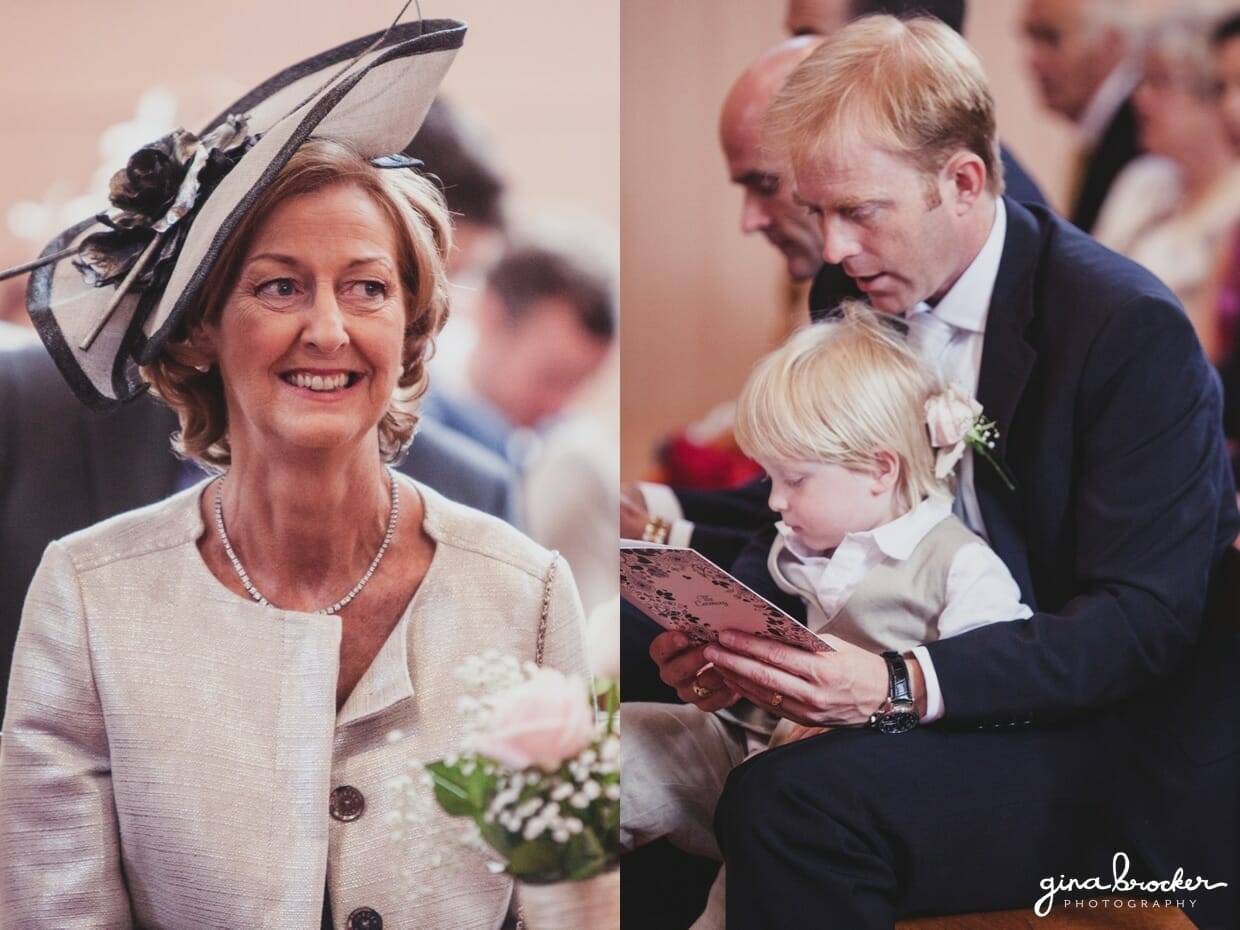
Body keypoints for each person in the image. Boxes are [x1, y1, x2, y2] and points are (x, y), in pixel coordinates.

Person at [642, 15, 1236, 927]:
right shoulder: (854, 291)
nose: (832, 249)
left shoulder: (1124, 327)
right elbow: (838, 515)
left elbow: (1142, 625)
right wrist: (741, 649)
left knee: (789, 803)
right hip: (903, 666)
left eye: (860, 211)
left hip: (1086, 735)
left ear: (961, 182)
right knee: (608, 717)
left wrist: (897, 684)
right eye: (820, 212)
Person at [0, 21, 588, 928]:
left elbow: (571, 902)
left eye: (368, 288)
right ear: (199, 328)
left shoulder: (530, 594)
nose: (329, 328)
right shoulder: (85, 595)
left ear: (413, 325)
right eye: (279, 286)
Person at [622, 302, 1031, 929]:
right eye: (769, 478)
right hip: (756, 740)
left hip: (838, 791)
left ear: (880, 468)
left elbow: (991, 700)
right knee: (617, 743)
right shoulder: (799, 541)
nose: (776, 501)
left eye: (794, 479)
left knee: (762, 853)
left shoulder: (961, 567)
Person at [1093, 5, 1240, 364]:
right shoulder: (1143, 180)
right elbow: (1082, 282)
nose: (1140, 97)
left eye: (1160, 81)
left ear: (1207, 94)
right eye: (1141, 80)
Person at [1021, 0, 1148, 234]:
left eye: (1051, 38)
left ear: (1111, 43)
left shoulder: (1141, 132)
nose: (1033, 60)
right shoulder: (1103, 132)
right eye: (1031, 39)